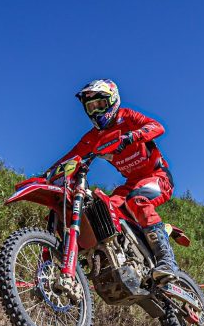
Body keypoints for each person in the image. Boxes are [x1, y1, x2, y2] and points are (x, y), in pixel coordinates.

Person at [47, 79, 179, 281]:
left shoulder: (127, 117)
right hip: (131, 184)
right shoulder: (92, 137)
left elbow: (157, 127)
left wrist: (131, 137)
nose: (96, 111)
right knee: (104, 210)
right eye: (91, 107)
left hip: (157, 176)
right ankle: (128, 258)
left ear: (112, 101)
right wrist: (45, 176)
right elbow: (71, 157)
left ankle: (167, 261)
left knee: (137, 200)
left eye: (100, 104)